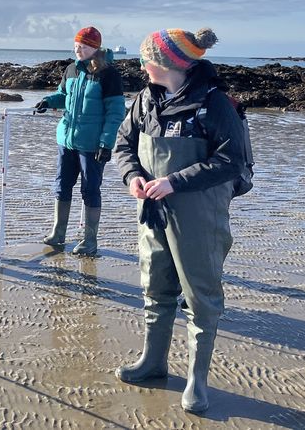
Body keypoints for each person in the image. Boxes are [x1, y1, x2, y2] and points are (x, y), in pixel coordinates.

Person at [113, 28, 245, 414]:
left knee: (200, 297)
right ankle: (152, 363)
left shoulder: (215, 103)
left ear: (169, 63)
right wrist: (132, 176)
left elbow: (231, 159)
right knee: (155, 286)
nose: (142, 66)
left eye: (146, 59)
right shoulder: (144, 101)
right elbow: (124, 143)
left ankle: (196, 382)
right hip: (153, 212)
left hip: (199, 215)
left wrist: (174, 181)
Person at [34, 26, 125, 255]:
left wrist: (106, 143)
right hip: (66, 140)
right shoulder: (71, 69)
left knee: (90, 190)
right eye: (76, 46)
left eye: (83, 47)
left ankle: (89, 240)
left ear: (95, 48)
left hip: (92, 145)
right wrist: (48, 101)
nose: (78, 50)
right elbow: (64, 96)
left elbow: (115, 112)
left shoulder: (108, 74)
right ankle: (58, 233)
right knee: (62, 185)